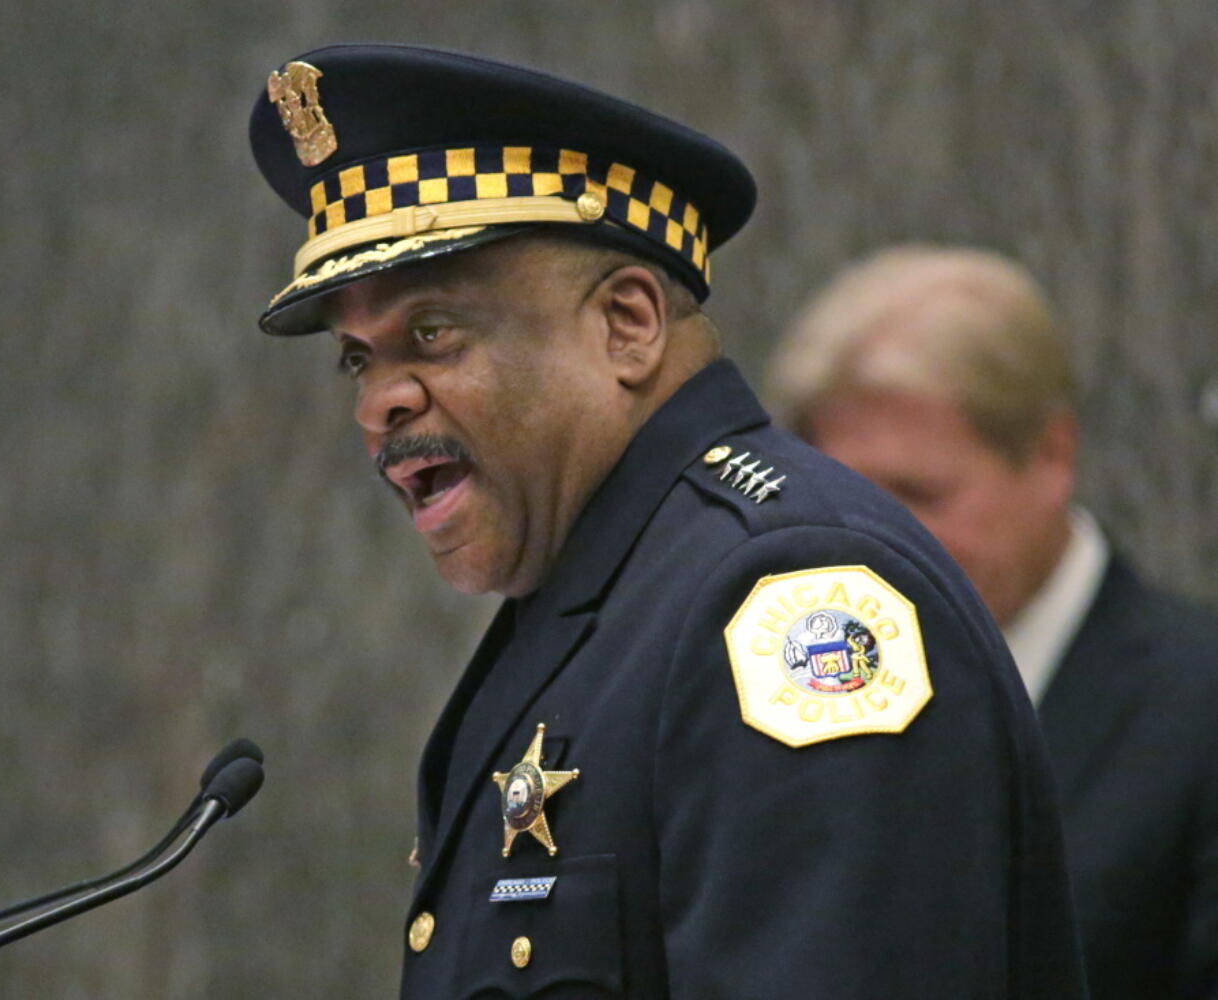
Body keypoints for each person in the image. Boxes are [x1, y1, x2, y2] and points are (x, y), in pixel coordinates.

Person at [249, 46, 1087, 998]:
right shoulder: (607, 599)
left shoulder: (787, 602)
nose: (381, 404)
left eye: (433, 333)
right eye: (359, 359)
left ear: (630, 324)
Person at [767, 244, 1218, 1000]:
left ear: (1051, 456)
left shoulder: (1198, 707)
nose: (874, 547)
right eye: (842, 500)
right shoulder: (780, 693)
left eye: (920, 496)